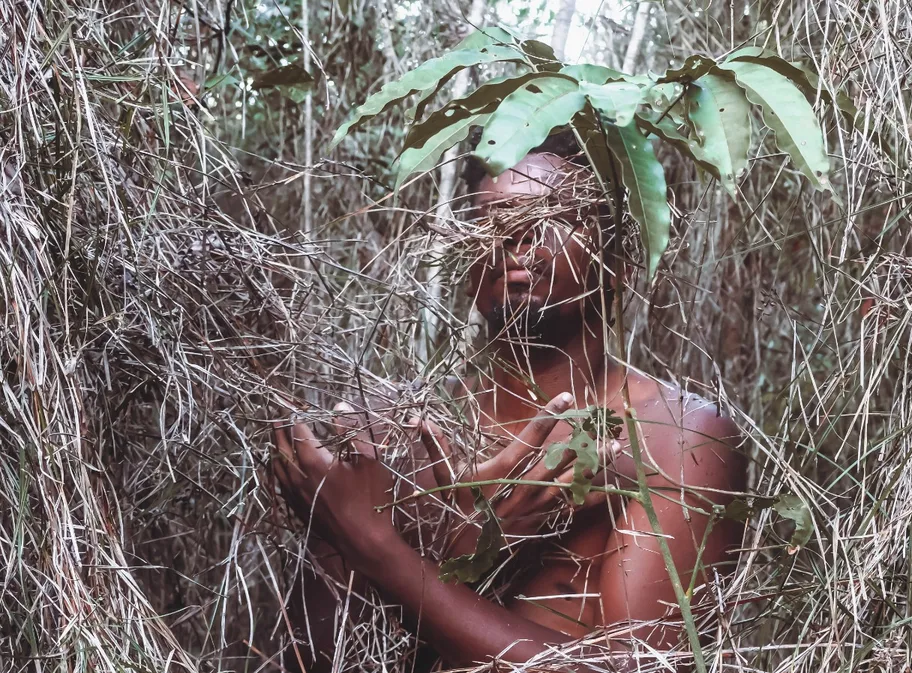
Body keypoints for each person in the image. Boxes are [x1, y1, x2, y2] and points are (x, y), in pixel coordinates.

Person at [271, 135, 747, 672]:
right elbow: (316, 658)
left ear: (618, 259)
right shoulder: (391, 436)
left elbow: (642, 668)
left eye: (555, 214)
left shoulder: (678, 436)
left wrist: (379, 548)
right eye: (492, 218)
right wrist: (462, 543)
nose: (518, 234)